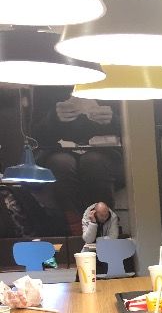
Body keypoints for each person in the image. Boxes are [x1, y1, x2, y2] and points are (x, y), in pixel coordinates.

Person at [31, 88, 124, 234]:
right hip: (57, 151)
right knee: (61, 164)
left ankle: (103, 225)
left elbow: (135, 126)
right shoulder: (47, 87)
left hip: (107, 152)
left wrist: (113, 120)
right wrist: (53, 118)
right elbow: (34, 134)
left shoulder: (113, 84)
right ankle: (74, 226)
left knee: (94, 163)